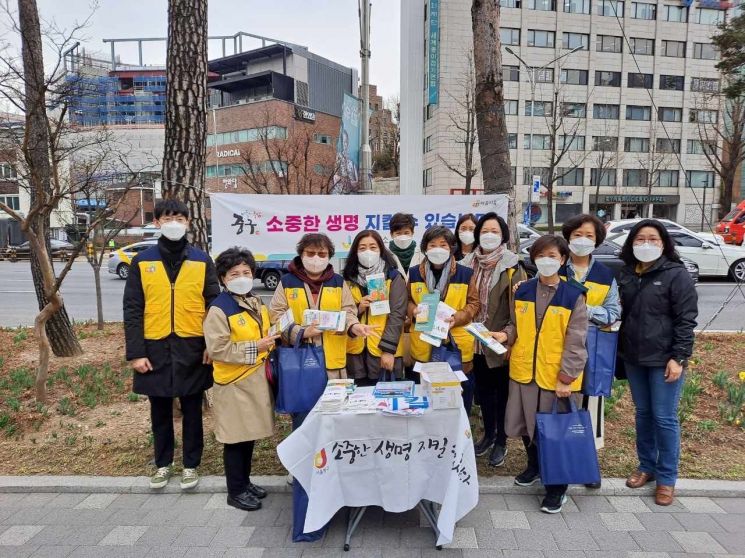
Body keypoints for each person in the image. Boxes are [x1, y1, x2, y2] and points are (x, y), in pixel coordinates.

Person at [123, 199, 220, 491]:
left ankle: (191, 465)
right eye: (168, 217)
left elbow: (213, 304)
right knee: (160, 409)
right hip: (154, 346)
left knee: (192, 407)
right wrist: (136, 352)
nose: (174, 222)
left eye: (179, 217)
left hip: (193, 344)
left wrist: (211, 344)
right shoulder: (143, 261)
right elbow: (132, 308)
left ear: (188, 222)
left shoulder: (202, 260)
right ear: (157, 223)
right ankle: (163, 464)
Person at [617, 219, 697, 507]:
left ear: (664, 243)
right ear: (631, 243)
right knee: (643, 414)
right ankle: (646, 466)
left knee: (664, 418)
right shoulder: (627, 273)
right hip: (634, 357)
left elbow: (686, 320)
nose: (646, 244)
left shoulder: (676, 274)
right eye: (640, 239)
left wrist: (679, 357)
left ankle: (666, 479)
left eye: (653, 239)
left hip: (665, 359)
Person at [506, 235, 588, 514]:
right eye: (541, 255)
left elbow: (577, 340)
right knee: (529, 428)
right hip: (525, 371)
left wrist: (567, 378)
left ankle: (557, 488)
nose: (546, 261)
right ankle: (535, 467)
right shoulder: (523, 290)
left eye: (552, 256)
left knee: (554, 434)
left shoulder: (573, 295)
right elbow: (514, 326)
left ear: (563, 259)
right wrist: (502, 335)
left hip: (556, 377)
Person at [269, 233, 376, 427]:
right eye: (310, 253)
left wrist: (355, 326)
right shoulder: (287, 282)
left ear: (329, 256)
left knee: (334, 418)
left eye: (322, 253)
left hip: (333, 363)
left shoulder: (337, 281)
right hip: (301, 362)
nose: (316, 258)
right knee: (304, 420)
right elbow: (276, 316)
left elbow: (348, 310)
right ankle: (303, 455)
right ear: (301, 254)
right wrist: (300, 332)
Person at [203, 248, 280, 512]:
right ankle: (235, 491)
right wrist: (256, 347)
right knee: (236, 439)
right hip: (234, 382)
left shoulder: (255, 301)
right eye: (234, 273)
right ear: (223, 278)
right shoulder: (219, 309)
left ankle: (245, 483)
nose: (242, 277)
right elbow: (217, 349)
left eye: (246, 272)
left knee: (249, 437)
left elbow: (267, 331)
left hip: (255, 380)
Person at [560, 214, 622, 489]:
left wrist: (582, 310)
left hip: (593, 350)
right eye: (577, 235)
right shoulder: (554, 269)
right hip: (559, 348)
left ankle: (588, 465)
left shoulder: (605, 275)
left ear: (597, 241)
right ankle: (558, 461)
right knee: (560, 405)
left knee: (590, 406)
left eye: (589, 236)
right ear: (568, 238)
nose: (582, 240)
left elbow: (613, 313)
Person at [461, 212, 526, 467]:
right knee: (484, 392)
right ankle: (488, 435)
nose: (489, 235)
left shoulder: (513, 267)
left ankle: (501, 440)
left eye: (494, 231)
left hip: (498, 342)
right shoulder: (466, 264)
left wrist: (509, 338)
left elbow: (519, 311)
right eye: (484, 230)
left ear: (503, 236)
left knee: (502, 395)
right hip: (471, 342)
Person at [407, 225, 480, 412]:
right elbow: (407, 301)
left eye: (443, 245)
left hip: (455, 342)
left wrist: (458, 317)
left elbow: (474, 304)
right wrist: (414, 310)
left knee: (457, 392)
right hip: (424, 341)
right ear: (425, 248)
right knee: (425, 391)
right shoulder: (415, 273)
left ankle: (459, 431)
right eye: (432, 245)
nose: (437, 249)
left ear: (451, 248)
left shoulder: (465, 273)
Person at [343, 230, 408, 385]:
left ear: (381, 250)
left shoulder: (393, 277)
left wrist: (388, 350)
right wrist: (359, 308)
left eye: (373, 247)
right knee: (359, 402)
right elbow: (343, 311)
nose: (368, 252)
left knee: (386, 402)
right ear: (355, 252)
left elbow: (397, 315)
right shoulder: (347, 279)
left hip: (383, 350)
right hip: (355, 353)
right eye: (362, 248)